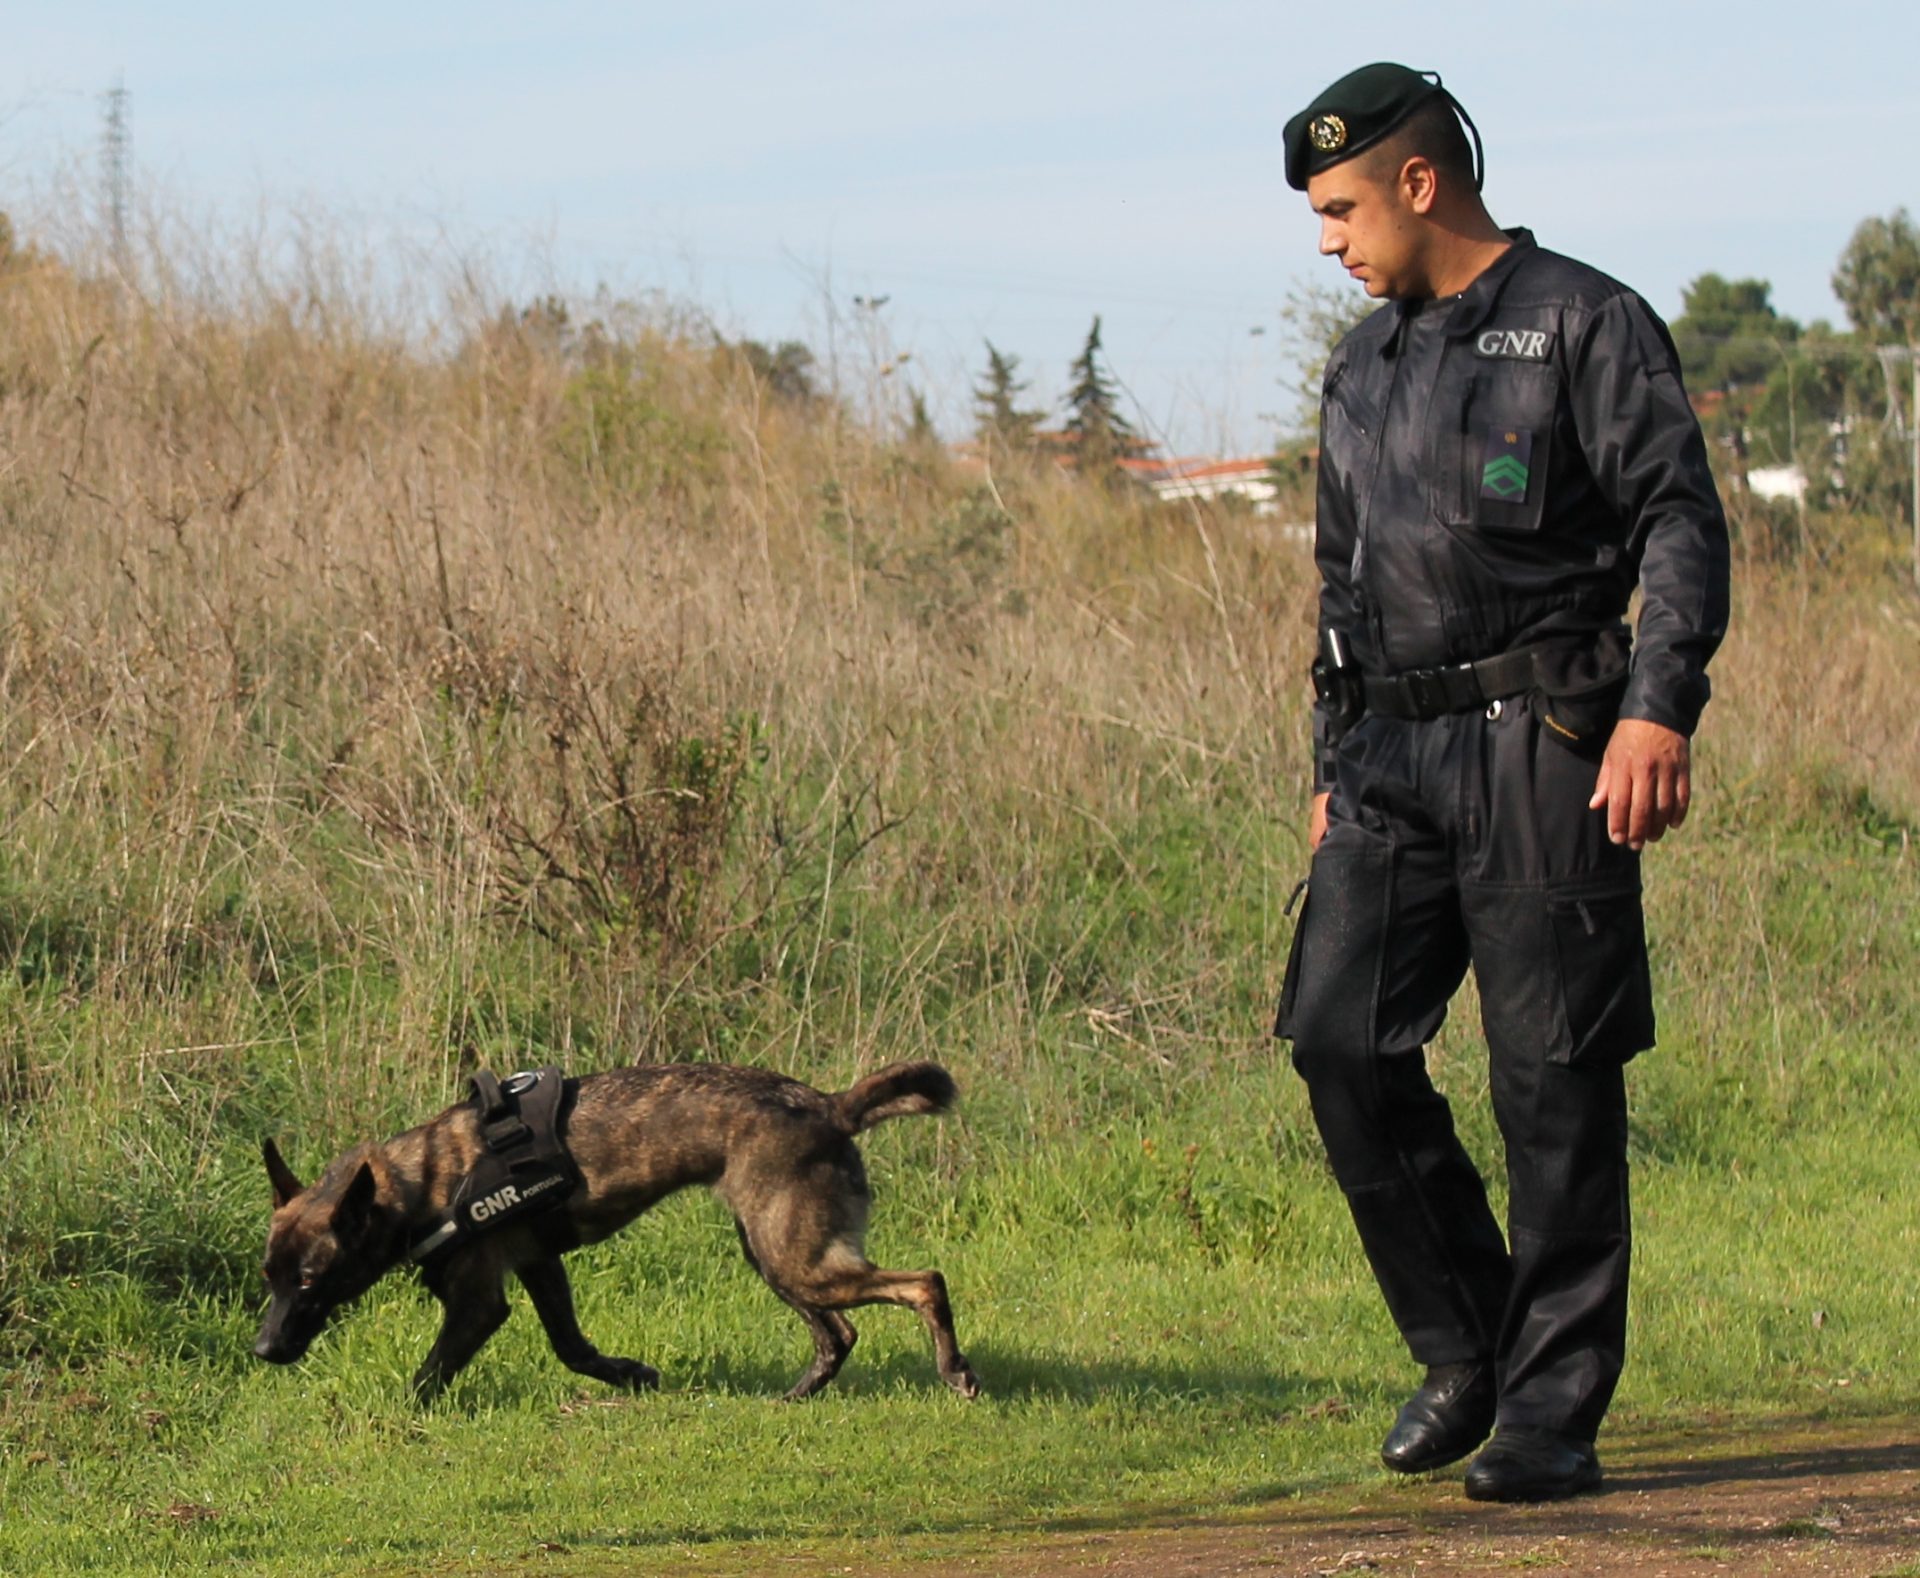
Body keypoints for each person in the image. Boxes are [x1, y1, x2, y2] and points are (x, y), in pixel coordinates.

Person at [1273, 63, 1730, 1503]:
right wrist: (1332, 767)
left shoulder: (1585, 322)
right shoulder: (1362, 366)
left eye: (1340, 207)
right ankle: (1467, 1340)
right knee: (1338, 1039)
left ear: (1420, 181)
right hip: (1392, 760)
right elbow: (1341, 586)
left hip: (1548, 747)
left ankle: (1549, 1414)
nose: (1329, 239)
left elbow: (1679, 521)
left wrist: (1660, 709)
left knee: (1554, 1080)